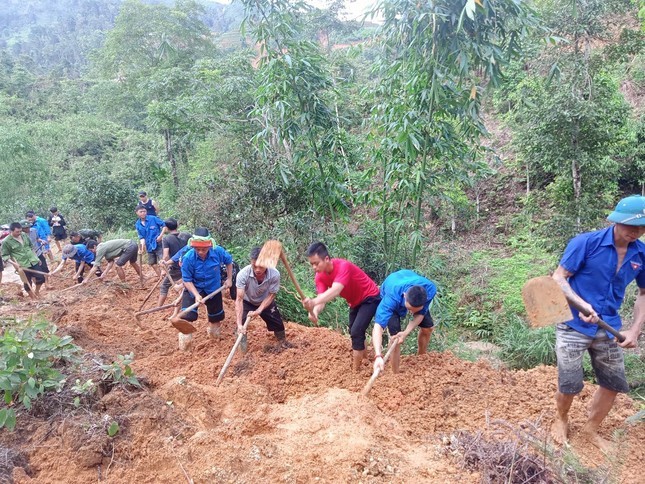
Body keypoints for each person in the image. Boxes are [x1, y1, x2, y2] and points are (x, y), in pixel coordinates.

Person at [550, 195, 645, 451]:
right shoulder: (586, 243)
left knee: (613, 382)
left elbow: (644, 293)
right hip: (573, 323)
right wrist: (582, 304)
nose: (636, 231)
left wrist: (634, 330)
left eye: (641, 227)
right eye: (630, 225)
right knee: (570, 381)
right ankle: (560, 419)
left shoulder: (642, 253)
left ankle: (590, 431)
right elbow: (559, 278)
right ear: (615, 221)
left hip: (609, 326)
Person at [302, 242, 381, 371]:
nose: (314, 267)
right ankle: (366, 360)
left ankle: (356, 371)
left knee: (356, 331)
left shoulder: (343, 266)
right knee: (354, 331)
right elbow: (322, 299)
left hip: (370, 296)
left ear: (326, 259)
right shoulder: (319, 277)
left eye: (316, 263)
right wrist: (315, 311)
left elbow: (336, 290)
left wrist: (313, 302)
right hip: (354, 302)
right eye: (311, 264)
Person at [372, 270, 437, 374]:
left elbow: (420, 314)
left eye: (414, 310)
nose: (411, 313)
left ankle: (421, 357)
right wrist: (378, 355)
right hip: (392, 285)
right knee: (395, 338)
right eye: (409, 309)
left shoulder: (429, 289)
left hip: (407, 278)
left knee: (428, 328)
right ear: (404, 295)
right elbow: (378, 327)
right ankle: (395, 374)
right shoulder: (390, 299)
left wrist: (406, 332)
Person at [170, 236, 233, 342]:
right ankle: (186, 346)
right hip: (193, 288)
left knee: (215, 317)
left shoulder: (218, 251)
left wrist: (229, 279)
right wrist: (196, 295)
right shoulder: (188, 258)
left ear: (209, 246)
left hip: (213, 288)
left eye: (203, 249)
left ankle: (214, 339)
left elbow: (229, 261)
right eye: (197, 249)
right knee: (187, 316)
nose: (200, 252)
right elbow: (187, 280)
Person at [236, 246, 290, 351]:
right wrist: (239, 324)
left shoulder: (274, 274)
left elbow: (271, 294)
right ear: (251, 262)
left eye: (261, 266)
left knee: (278, 323)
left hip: (265, 301)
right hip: (247, 301)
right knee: (240, 328)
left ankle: (282, 344)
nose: (257, 270)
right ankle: (241, 352)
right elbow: (239, 299)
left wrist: (259, 310)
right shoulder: (242, 275)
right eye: (254, 266)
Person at [1, 222, 47, 297]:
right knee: (27, 282)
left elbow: (31, 247)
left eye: (20, 231)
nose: (19, 233)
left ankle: (37, 291)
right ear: (11, 231)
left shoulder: (24, 235)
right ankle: (32, 296)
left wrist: (36, 258)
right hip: (22, 264)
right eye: (17, 232)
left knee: (41, 278)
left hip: (33, 260)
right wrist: (15, 264)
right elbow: (5, 256)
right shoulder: (6, 242)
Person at [157, 218, 190, 306]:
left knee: (164, 286)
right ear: (177, 225)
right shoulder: (186, 235)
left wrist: (164, 269)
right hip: (188, 265)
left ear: (167, 228)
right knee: (185, 283)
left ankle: (159, 307)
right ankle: (184, 303)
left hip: (176, 266)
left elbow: (166, 256)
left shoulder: (166, 239)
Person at [135, 206, 166, 277]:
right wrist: (142, 247)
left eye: (144, 211)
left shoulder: (153, 218)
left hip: (158, 243)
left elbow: (164, 225)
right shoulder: (137, 224)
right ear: (137, 213)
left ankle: (167, 277)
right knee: (152, 263)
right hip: (149, 246)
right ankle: (161, 278)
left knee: (162, 260)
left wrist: (160, 236)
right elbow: (142, 238)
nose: (143, 213)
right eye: (141, 212)